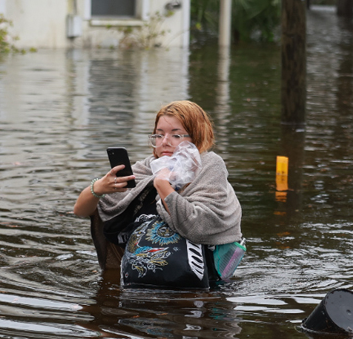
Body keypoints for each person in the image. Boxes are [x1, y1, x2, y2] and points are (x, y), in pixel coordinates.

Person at [73, 100, 243, 280]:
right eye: (159, 135)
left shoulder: (209, 165)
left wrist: (163, 185)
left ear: (196, 136)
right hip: (143, 277)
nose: (165, 142)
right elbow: (81, 211)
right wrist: (97, 188)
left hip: (198, 281)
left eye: (176, 136)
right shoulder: (148, 167)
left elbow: (199, 226)